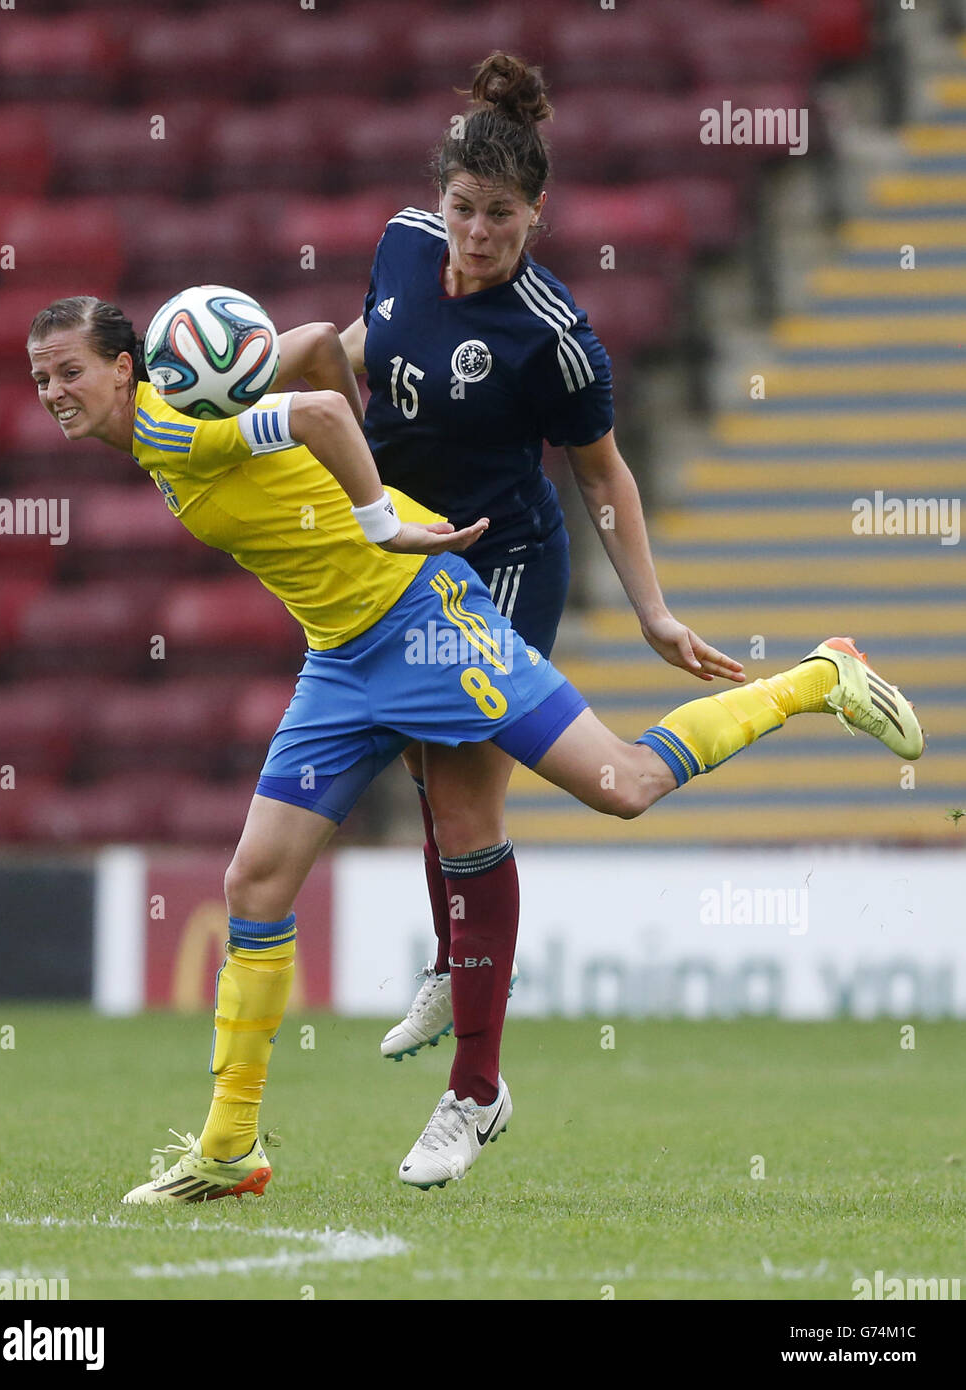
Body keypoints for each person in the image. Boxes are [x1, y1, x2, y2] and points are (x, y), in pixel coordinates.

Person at [27, 295, 921, 1198]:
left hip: (424, 621)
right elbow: (312, 347)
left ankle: (819, 676)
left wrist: (376, 517)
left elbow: (324, 409)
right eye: (40, 379)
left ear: (126, 367)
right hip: (340, 658)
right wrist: (360, 473)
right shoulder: (186, 405)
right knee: (254, 883)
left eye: (70, 372)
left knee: (623, 784)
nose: (54, 392)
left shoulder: (174, 428)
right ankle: (229, 1150)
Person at [337, 53, 737, 1110]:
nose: (477, 234)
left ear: (536, 214)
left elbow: (602, 473)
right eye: (463, 209)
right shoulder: (400, 244)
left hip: (502, 564)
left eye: (501, 216)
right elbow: (368, 342)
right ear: (439, 199)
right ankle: (453, 957)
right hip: (408, 558)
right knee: (426, 768)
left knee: (464, 792)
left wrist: (651, 611)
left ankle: (476, 1083)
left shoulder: (552, 337)